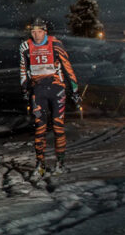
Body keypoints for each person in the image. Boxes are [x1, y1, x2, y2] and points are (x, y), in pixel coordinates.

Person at [19, 18, 80, 178]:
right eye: (33, 32)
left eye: (39, 31)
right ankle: (40, 164)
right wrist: (24, 89)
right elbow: (23, 69)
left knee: (58, 127)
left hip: (56, 89)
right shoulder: (25, 46)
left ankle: (60, 163)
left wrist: (74, 89)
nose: (36, 35)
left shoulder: (55, 44)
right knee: (39, 128)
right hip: (38, 91)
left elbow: (67, 66)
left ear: (45, 31)